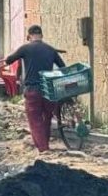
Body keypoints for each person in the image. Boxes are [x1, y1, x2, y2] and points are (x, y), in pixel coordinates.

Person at [5, 24, 67, 153]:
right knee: (47, 118)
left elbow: (9, 60)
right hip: (49, 89)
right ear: (42, 36)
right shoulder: (50, 49)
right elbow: (63, 66)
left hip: (33, 90)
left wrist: (9, 58)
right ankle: (45, 145)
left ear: (29, 36)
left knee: (35, 120)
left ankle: (44, 149)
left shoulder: (25, 48)